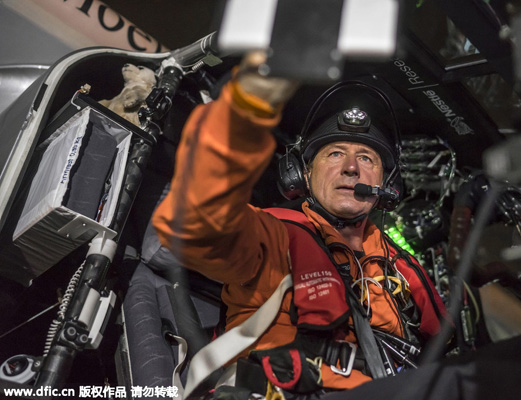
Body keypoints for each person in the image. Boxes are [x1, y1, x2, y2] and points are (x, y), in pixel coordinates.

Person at [153, 52, 447, 396]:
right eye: (335, 153)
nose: (351, 168)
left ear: (388, 184)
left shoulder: (400, 265)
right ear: (302, 174)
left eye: (366, 158)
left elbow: (455, 342)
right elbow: (196, 223)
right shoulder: (274, 236)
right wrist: (246, 110)